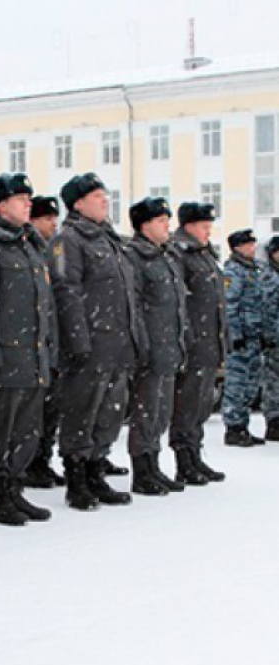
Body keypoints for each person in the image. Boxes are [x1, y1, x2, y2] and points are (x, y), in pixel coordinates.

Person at [48, 173, 140, 510]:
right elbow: (65, 291)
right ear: (78, 203)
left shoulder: (109, 240)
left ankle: (96, 471)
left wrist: (135, 340)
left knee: (109, 414)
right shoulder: (68, 240)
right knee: (81, 412)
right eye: (98, 196)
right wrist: (78, 341)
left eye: (105, 195)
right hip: (90, 345)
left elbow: (128, 297)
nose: (105, 201)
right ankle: (77, 480)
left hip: (116, 344)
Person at [0, 173, 56, 526]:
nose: (28, 204)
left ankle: (15, 488)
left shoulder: (30, 245)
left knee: (27, 429)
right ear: (2, 206)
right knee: (0, 429)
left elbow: (44, 305)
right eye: (21, 199)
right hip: (6, 355)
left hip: (32, 354)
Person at [124, 197, 188, 495]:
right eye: (161, 221)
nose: (167, 226)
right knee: (146, 411)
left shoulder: (166, 256)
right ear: (145, 225)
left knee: (161, 412)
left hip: (169, 346)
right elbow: (134, 306)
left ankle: (154, 464)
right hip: (150, 347)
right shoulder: (135, 257)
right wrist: (143, 344)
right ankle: (142, 470)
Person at [168, 202, 226, 483]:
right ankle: (184, 459)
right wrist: (187, 337)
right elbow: (179, 302)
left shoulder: (204, 254)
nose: (208, 232)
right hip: (193, 342)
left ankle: (195, 454)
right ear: (189, 226)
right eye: (204, 227)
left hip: (209, 341)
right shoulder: (180, 254)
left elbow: (216, 303)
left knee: (202, 404)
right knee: (187, 403)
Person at [24, 194, 65, 489]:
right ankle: (30, 464)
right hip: (32, 341)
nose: (53, 224)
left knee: (50, 410)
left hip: (51, 339)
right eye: (47, 218)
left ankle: (42, 461)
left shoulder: (52, 250)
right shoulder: (30, 248)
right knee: (32, 413)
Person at [222, 228, 266, 447]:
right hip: (241, 339)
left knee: (250, 383)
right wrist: (235, 335)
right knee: (236, 383)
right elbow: (229, 306)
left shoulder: (254, 270)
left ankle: (243, 426)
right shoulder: (233, 272)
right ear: (238, 247)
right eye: (248, 244)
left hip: (254, 336)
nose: (253, 248)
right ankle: (234, 427)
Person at [261, 235, 279, 441]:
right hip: (274, 337)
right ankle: (274, 422)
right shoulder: (269, 276)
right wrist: (269, 335)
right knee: (273, 381)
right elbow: (266, 309)